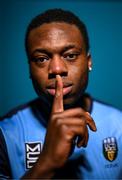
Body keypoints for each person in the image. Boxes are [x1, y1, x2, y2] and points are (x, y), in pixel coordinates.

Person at [0, 8, 122, 179]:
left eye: (70, 55)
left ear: (89, 62)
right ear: (30, 69)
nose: (57, 69)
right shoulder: (5, 134)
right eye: (41, 59)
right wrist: (47, 163)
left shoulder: (119, 126)